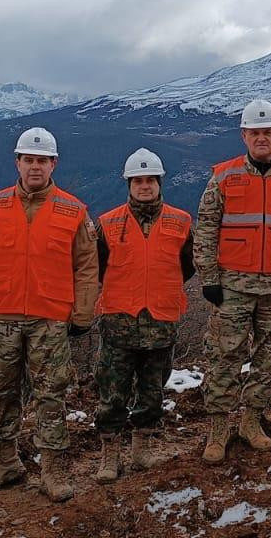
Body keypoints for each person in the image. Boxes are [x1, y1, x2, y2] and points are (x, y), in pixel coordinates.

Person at [0, 127, 98, 502]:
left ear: (54, 163)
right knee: (1, 392)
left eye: (42, 160)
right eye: (29, 160)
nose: (35, 167)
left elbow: (87, 267)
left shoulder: (73, 210)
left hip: (50, 321)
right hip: (2, 318)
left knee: (51, 395)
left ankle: (52, 469)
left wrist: (83, 314)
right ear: (17, 162)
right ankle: (5, 462)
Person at [194, 100, 271, 464]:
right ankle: (219, 429)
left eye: (268, 132)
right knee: (224, 356)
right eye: (255, 132)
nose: (261, 138)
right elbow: (205, 229)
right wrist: (209, 277)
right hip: (232, 286)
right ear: (244, 135)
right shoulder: (224, 176)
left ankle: (251, 421)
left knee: (270, 357)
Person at [93, 148, 195, 483]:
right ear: (129, 184)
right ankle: (110, 453)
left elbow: (186, 266)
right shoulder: (107, 224)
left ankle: (142, 447)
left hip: (161, 322)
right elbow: (97, 268)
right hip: (118, 323)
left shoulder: (181, 222)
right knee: (112, 391)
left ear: (159, 182)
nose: (145, 186)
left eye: (150, 179)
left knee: (153, 390)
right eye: (138, 180)